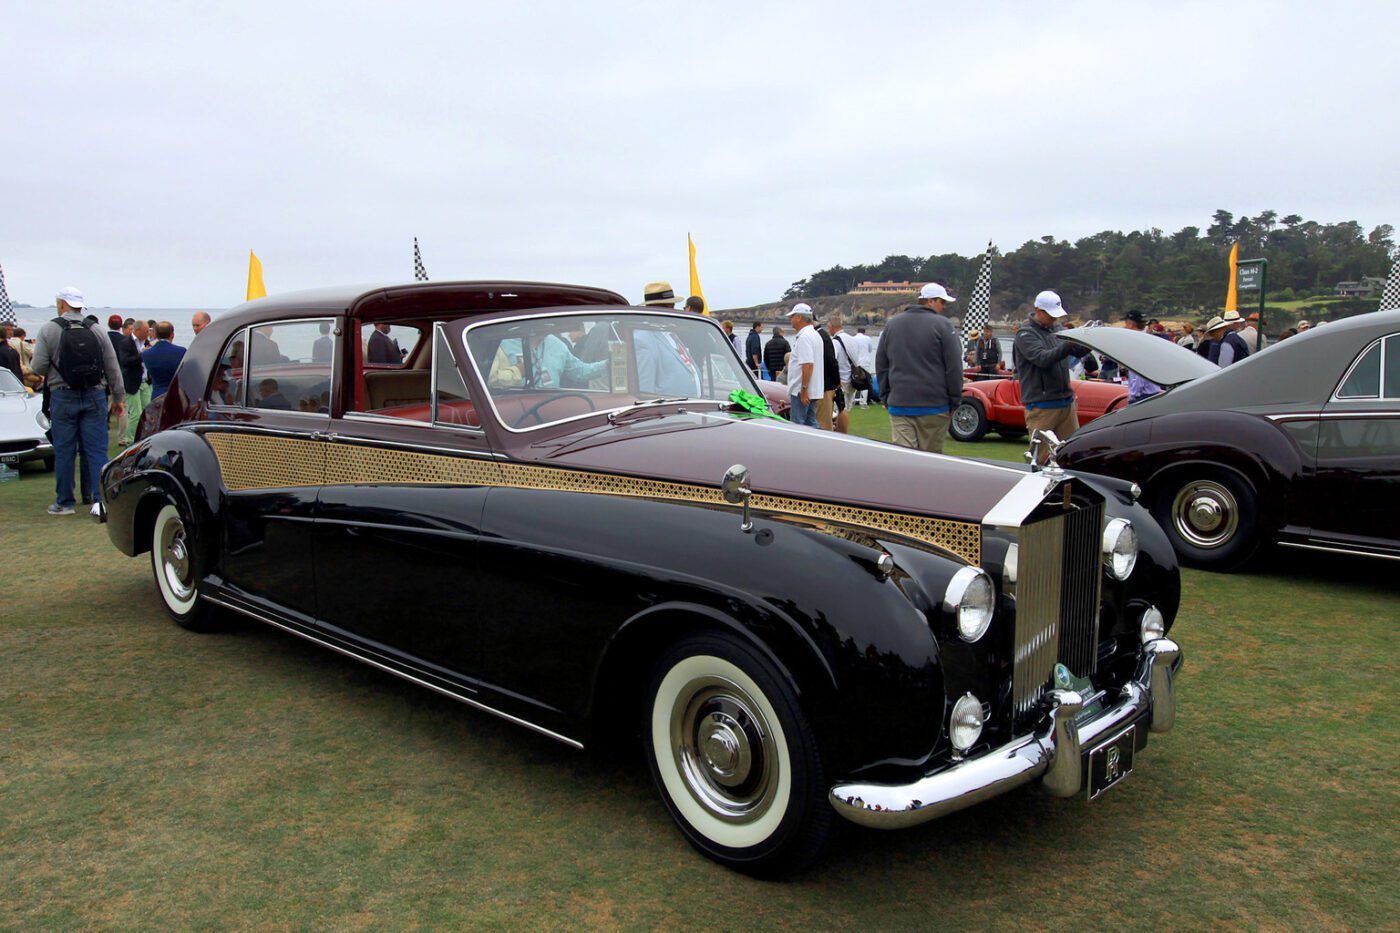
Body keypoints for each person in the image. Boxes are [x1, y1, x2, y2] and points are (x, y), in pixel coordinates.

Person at [30, 287, 126, 516]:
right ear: (81, 306)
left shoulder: (48, 329)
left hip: (62, 394)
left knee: (64, 450)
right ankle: (99, 500)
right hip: (94, 395)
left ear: (62, 304)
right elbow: (112, 368)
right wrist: (119, 398)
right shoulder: (97, 330)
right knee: (96, 450)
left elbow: (38, 367)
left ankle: (65, 502)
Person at [876, 283, 963, 453]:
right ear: (931, 301)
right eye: (942, 302)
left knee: (905, 461)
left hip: (900, 404)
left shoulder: (892, 324)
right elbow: (954, 367)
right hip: (934, 406)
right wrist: (955, 400)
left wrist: (885, 396)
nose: (944, 307)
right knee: (931, 461)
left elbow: (881, 365)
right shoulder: (943, 325)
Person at [1013, 290, 1080, 464]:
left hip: (1066, 402)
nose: (1054, 320)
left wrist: (1088, 339)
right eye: (1051, 315)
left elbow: (1077, 351)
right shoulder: (1025, 334)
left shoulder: (1057, 329)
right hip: (1042, 405)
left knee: (1071, 455)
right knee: (1040, 458)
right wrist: (1069, 343)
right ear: (1039, 311)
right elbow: (1043, 359)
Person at [529, 328, 609, 390]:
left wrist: (608, 364)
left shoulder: (555, 343)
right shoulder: (516, 338)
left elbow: (579, 371)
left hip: (551, 403)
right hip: (521, 405)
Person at [784, 304, 824, 427]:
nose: (790, 319)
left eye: (792, 316)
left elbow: (807, 364)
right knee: (811, 423)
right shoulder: (815, 335)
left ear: (799, 317)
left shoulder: (804, 337)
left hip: (802, 391)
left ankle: (799, 446)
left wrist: (804, 389)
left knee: (798, 425)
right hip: (813, 389)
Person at [106, 315, 143, 443]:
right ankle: (123, 437)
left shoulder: (104, 338)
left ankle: (108, 430)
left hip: (108, 375)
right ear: (121, 326)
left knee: (109, 405)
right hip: (122, 376)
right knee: (124, 408)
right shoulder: (125, 340)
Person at [122, 319, 152, 445]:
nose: (148, 333)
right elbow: (124, 361)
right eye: (146, 331)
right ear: (137, 330)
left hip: (145, 381)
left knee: (148, 412)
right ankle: (129, 441)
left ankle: (143, 438)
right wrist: (142, 355)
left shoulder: (146, 341)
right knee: (135, 414)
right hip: (132, 382)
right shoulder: (126, 342)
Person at [1121, 311, 1162, 402]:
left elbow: (1138, 373)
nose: (1125, 326)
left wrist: (1133, 395)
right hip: (1153, 391)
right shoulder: (1148, 339)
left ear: (1131, 324)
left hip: (1142, 395)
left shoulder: (1136, 342)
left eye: (1126, 323)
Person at [142, 321, 186, 399]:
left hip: (156, 394)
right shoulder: (181, 351)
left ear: (155, 334)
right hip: (175, 395)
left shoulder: (146, 354)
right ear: (172, 334)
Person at [827, 314, 855, 434]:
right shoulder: (851, 339)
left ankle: (842, 433)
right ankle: (843, 432)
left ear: (832, 327)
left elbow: (833, 361)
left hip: (841, 379)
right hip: (852, 378)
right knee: (846, 408)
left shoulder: (835, 342)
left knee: (840, 409)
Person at [815, 318, 840, 430]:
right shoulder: (820, 335)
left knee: (824, 422)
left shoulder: (821, 336)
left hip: (825, 385)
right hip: (823, 384)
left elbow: (831, 361)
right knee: (821, 419)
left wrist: (836, 381)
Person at [851, 327, 874, 406]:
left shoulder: (853, 338)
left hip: (856, 362)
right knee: (866, 381)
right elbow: (870, 350)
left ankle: (852, 401)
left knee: (855, 380)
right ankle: (863, 402)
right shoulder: (867, 338)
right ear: (864, 332)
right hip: (865, 362)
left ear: (857, 331)